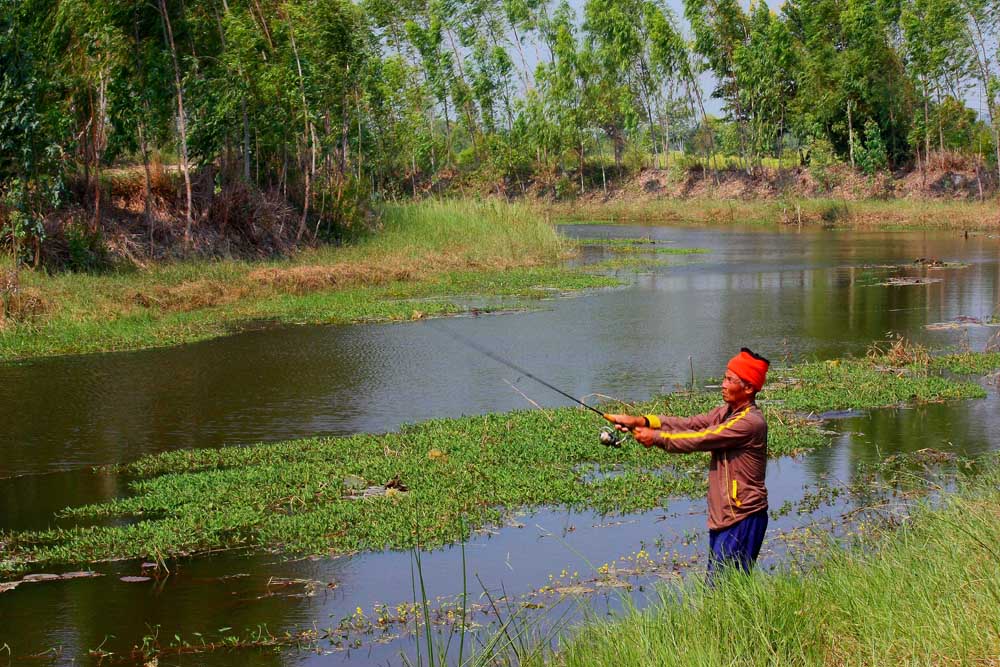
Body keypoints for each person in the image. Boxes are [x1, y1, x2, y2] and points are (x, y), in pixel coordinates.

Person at [606, 348, 770, 581]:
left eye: (730, 380)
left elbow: (702, 438)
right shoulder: (726, 412)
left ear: (749, 388)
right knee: (723, 594)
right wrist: (641, 420)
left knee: (724, 594)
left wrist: (655, 438)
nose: (723, 384)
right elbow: (691, 425)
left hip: (742, 517)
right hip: (727, 517)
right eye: (724, 377)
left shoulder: (749, 423)